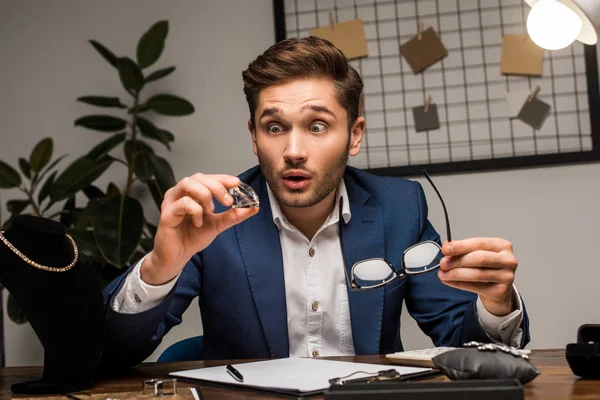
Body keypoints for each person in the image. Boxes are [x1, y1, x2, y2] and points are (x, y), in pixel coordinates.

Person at [102, 37, 529, 367]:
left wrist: (495, 304)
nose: (293, 150)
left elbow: (466, 342)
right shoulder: (213, 215)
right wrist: (160, 266)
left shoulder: (401, 206)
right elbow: (111, 353)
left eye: (317, 126)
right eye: (274, 127)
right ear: (254, 136)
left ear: (355, 135)